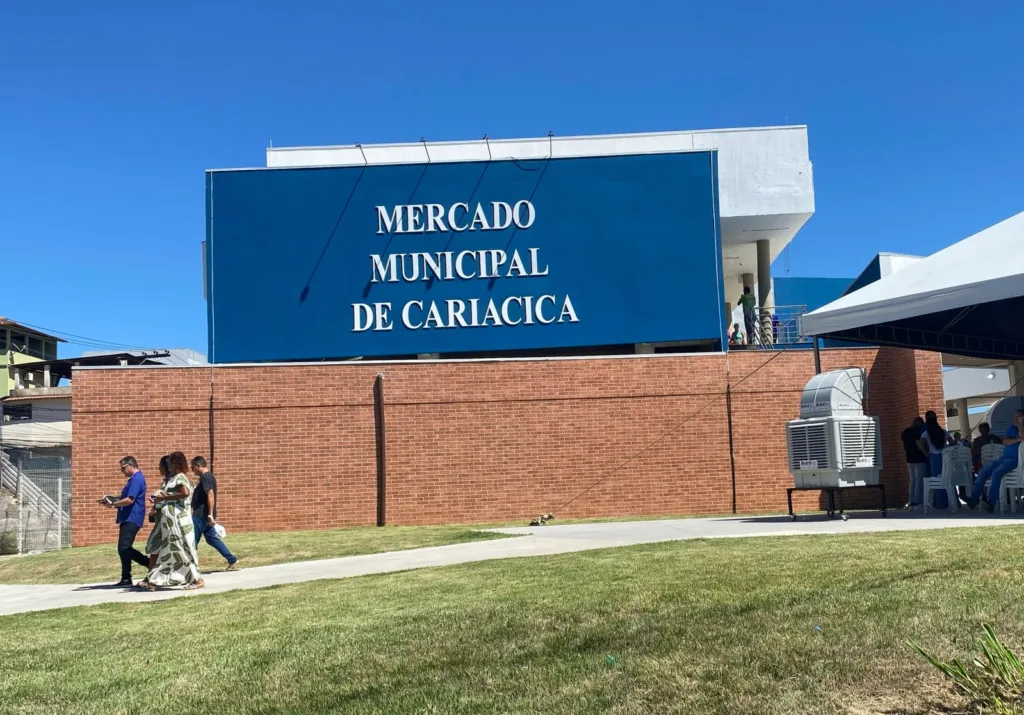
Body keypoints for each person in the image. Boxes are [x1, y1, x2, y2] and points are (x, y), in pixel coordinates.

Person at [138, 451, 203, 591]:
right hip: (171, 523)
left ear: (175, 464)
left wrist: (164, 498)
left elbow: (185, 493)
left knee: (181, 550)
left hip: (179, 522)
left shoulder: (180, 477)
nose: (168, 467)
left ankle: (197, 580)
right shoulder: (173, 478)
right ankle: (156, 579)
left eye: (170, 464)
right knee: (172, 551)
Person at [97, 456, 149, 587]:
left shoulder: (136, 479)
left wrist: (114, 505)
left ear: (130, 465)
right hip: (127, 517)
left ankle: (147, 564)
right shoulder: (132, 480)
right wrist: (110, 500)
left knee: (124, 548)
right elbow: (124, 498)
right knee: (124, 548)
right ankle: (127, 577)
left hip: (132, 517)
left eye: (123, 468)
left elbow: (130, 500)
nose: (122, 471)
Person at [967, 410, 1024, 513]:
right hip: (1004, 457)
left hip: (1015, 460)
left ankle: (991, 503)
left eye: (1018, 417)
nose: (1015, 419)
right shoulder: (1011, 428)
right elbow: (1004, 442)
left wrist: (1020, 425)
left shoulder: (1021, 428)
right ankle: (974, 499)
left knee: (996, 473)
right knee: (983, 471)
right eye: (1014, 417)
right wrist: (1017, 440)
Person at [190, 456, 239, 571]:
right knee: (211, 538)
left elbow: (210, 495)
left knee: (193, 540)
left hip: (201, 515)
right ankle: (232, 559)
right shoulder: (205, 477)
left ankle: (190, 567)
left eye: (193, 468)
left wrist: (210, 515)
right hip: (204, 515)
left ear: (198, 466)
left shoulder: (206, 477)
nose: (192, 471)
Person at [918, 411, 953, 508]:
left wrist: (926, 453)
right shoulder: (943, 431)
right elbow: (952, 443)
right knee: (948, 479)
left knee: (936, 481)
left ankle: (940, 503)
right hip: (945, 457)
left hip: (934, 457)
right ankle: (952, 501)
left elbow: (920, 444)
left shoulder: (926, 433)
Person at [901, 416, 928, 509]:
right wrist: (925, 453)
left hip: (909, 459)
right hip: (919, 458)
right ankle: (917, 501)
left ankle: (911, 500)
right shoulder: (918, 432)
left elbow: (904, 445)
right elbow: (919, 444)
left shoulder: (905, 432)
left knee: (912, 480)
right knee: (919, 480)